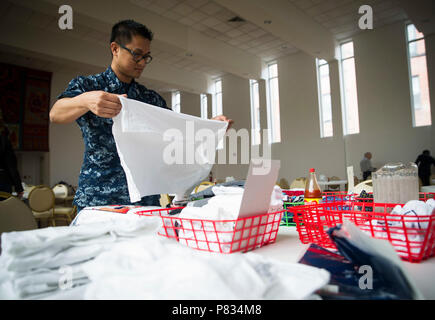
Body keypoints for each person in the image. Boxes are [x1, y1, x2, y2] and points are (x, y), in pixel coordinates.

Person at [50, 20, 233, 214]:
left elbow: (177, 132)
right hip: (100, 198)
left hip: (145, 200)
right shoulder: (89, 86)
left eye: (147, 57)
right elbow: (56, 114)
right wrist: (85, 100)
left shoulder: (150, 98)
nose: (143, 62)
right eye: (137, 55)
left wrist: (209, 126)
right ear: (115, 49)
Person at [0, 120, 24, 199]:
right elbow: (11, 166)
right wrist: (19, 188)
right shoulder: (4, 141)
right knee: (4, 209)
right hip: (3, 180)